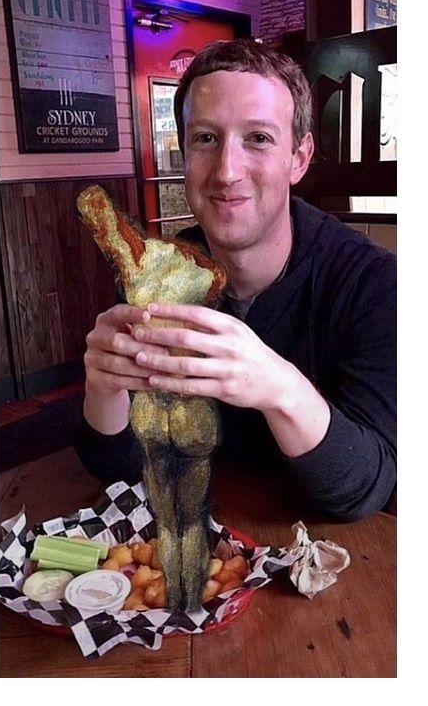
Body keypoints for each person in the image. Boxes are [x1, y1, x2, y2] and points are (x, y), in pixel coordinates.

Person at [74, 38, 396, 522]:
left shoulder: (376, 286)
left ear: (299, 158)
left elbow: (365, 491)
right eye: (206, 138)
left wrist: (279, 388)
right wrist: (104, 388)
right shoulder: (160, 276)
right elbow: (119, 469)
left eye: (258, 138)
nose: (226, 171)